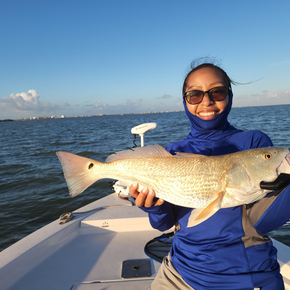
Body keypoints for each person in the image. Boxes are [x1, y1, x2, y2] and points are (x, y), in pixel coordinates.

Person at [129, 60, 290, 290]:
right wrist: (154, 207)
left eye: (217, 91)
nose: (206, 101)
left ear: (229, 95)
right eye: (195, 95)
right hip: (178, 271)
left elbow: (262, 220)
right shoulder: (173, 151)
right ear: (185, 100)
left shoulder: (254, 143)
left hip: (242, 276)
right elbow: (165, 224)